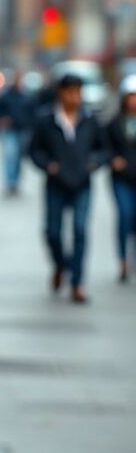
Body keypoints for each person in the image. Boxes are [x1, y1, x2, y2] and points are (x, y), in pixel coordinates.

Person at [29, 73, 108, 303]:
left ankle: (77, 282)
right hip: (56, 183)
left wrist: (94, 162)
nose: (75, 97)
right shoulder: (46, 119)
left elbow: (103, 148)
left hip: (82, 183)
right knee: (52, 232)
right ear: (60, 93)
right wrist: (48, 165)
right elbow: (34, 151)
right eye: (70, 91)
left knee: (80, 231)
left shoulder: (90, 119)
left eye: (78, 92)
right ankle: (61, 265)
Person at [105, 74, 136, 283]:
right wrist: (112, 159)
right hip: (121, 179)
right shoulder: (114, 123)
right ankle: (123, 259)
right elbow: (103, 146)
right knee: (124, 216)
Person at [0, 72, 34, 195]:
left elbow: (33, 113)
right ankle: (10, 182)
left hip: (23, 130)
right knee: (10, 156)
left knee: (19, 158)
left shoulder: (27, 96)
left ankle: (16, 181)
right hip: (9, 131)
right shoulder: (5, 96)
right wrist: (2, 119)